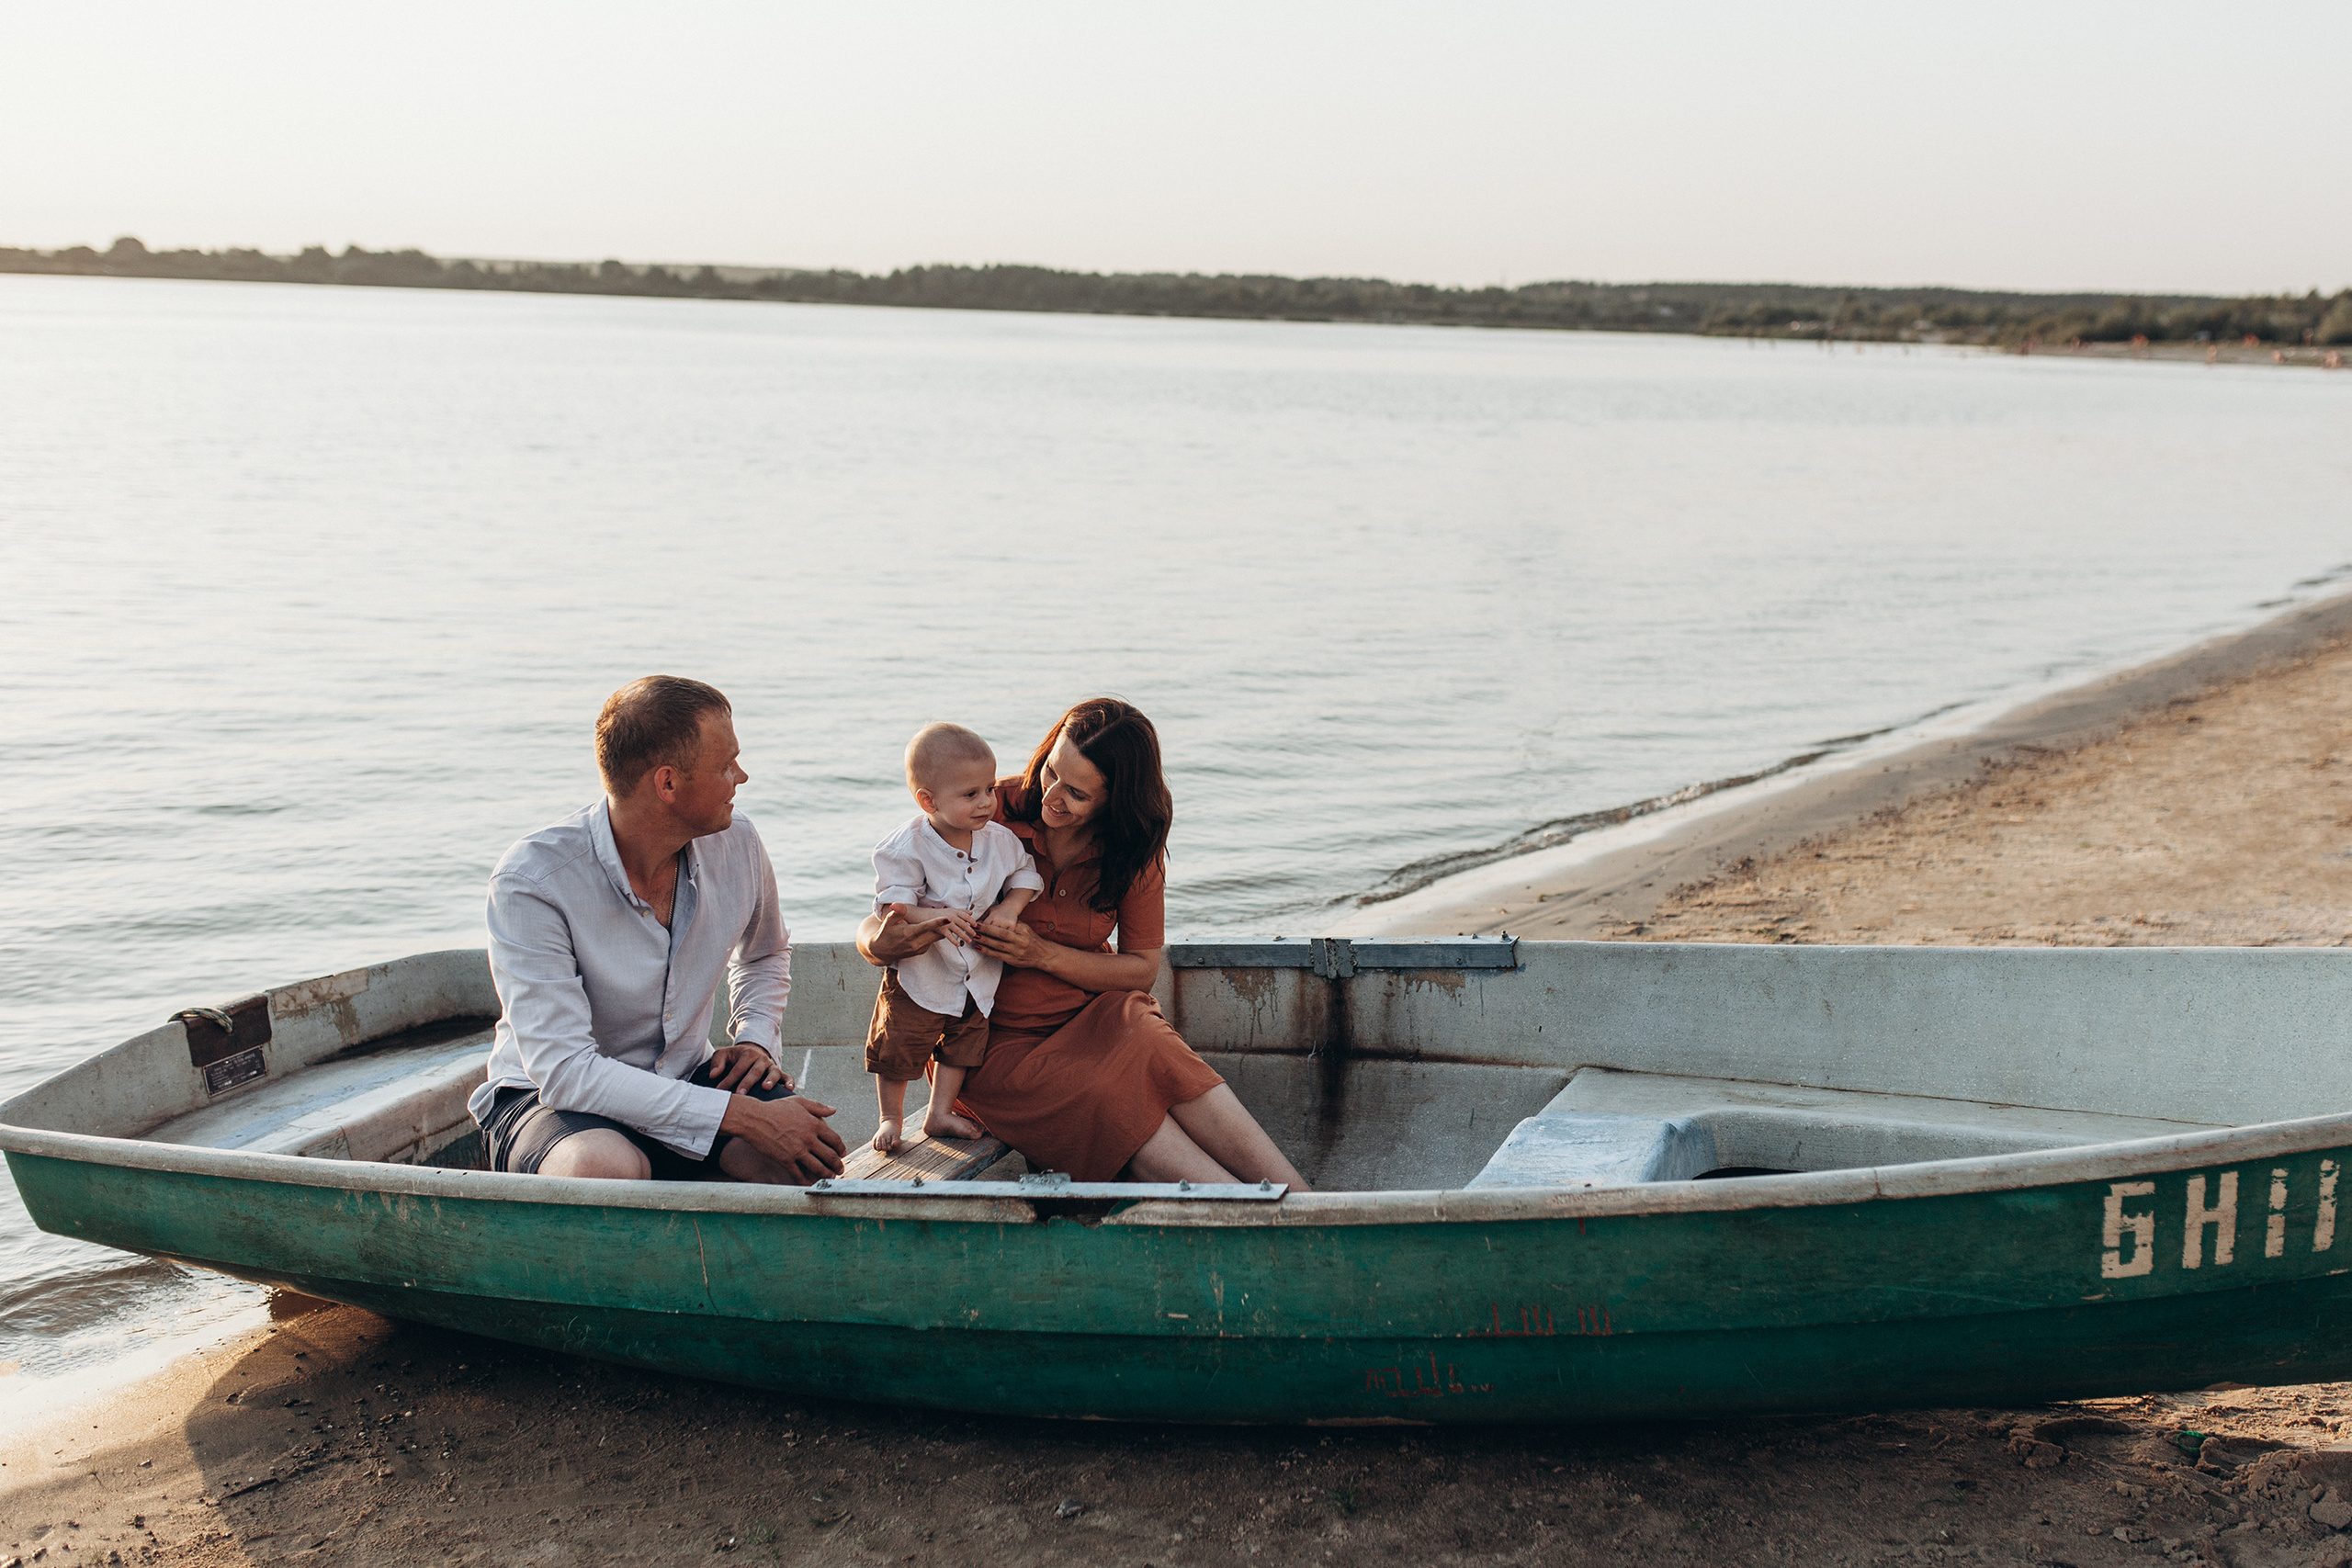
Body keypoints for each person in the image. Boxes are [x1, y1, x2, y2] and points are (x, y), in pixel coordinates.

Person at [857, 698, 1310, 1189]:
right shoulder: (989, 808)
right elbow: (881, 915)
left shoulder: (1132, 845)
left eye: (1076, 793)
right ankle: (1252, 1214)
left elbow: (1140, 970)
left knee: (1155, 1043)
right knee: (1103, 1093)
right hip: (988, 1039)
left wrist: (1041, 953)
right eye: (1051, 773)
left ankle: (1303, 1203)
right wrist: (880, 941)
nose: (1052, 797)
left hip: (1094, 1015)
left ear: (1114, 801)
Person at [468, 676, 847, 1184]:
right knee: (606, 1170)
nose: (743, 776)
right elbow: (565, 1073)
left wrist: (755, 1043)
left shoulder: (739, 843)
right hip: (547, 1098)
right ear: (667, 784)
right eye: (726, 764)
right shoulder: (533, 880)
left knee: (805, 1158)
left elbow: (764, 954)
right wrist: (744, 1117)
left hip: (687, 1075)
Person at [865, 722, 1044, 1153]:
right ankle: (890, 1117)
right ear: (928, 800)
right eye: (970, 795)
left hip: (978, 974)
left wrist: (1009, 906)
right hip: (922, 972)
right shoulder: (906, 847)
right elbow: (894, 906)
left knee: (964, 1045)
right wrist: (936, 915)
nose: (987, 802)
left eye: (989, 789)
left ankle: (939, 1112)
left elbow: (1025, 874)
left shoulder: (999, 840)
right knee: (900, 1045)